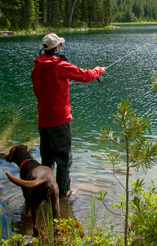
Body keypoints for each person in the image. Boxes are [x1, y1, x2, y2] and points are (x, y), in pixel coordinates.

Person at [31, 33, 105, 198]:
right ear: (56, 48)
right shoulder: (60, 66)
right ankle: (63, 193)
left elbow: (40, 92)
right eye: (60, 46)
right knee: (63, 160)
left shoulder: (36, 68)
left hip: (43, 120)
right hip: (59, 121)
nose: (61, 48)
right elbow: (87, 76)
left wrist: (60, 84)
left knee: (47, 159)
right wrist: (99, 70)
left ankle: (45, 192)